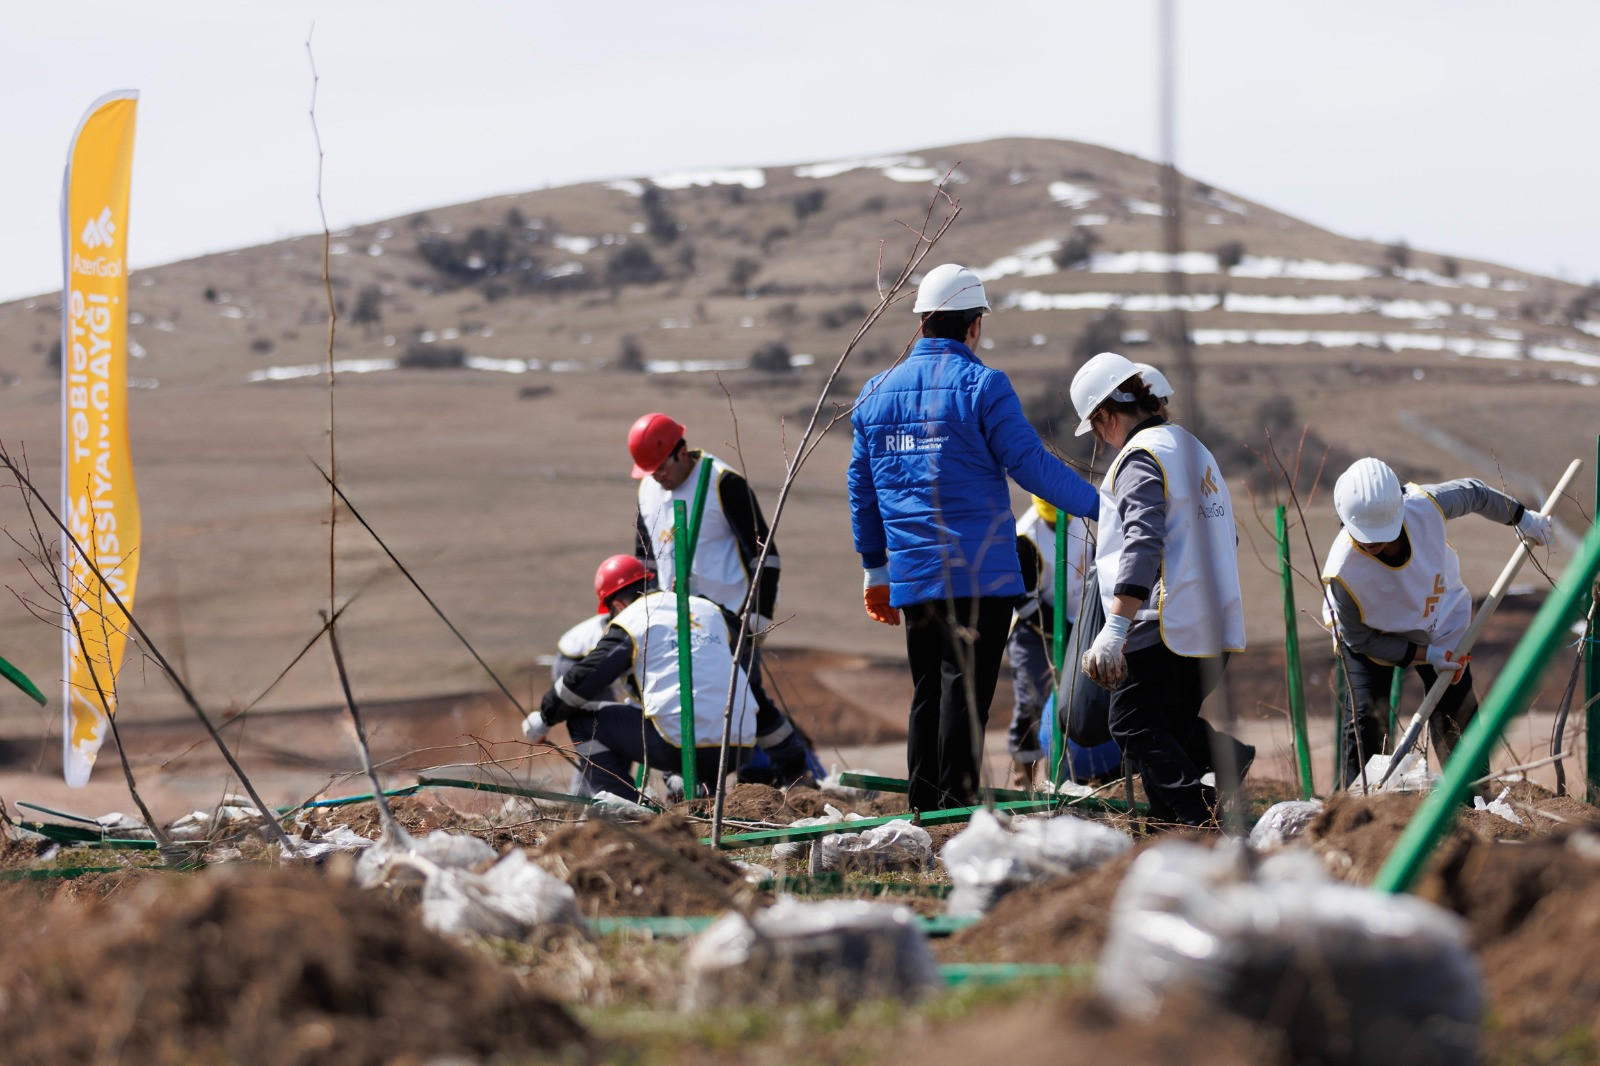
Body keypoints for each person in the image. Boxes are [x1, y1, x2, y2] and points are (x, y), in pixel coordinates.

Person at [847, 263, 1100, 813]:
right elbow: (1030, 466)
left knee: (926, 694)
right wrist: (1103, 505)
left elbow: (861, 490)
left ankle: (922, 810)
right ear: (974, 326)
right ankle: (953, 813)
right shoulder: (983, 386)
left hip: (912, 577)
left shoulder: (874, 393)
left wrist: (875, 570)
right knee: (964, 697)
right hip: (981, 574)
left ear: (921, 324)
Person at [1072, 350, 1251, 826]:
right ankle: (1173, 825)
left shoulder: (1139, 459)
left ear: (1107, 416)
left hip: (1166, 622)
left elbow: (1143, 540)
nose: (1100, 440)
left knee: (1131, 723)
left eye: (1095, 428)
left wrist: (1115, 626)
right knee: (1165, 729)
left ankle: (1200, 818)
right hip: (1214, 621)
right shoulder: (1194, 450)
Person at [1321, 457, 1552, 788]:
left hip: (1440, 620)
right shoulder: (1343, 572)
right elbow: (1361, 641)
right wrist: (1423, 655)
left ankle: (1472, 798)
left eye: (1383, 536)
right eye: (1367, 540)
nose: (1377, 545)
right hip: (1373, 634)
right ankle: (1360, 807)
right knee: (1365, 720)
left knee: (1455, 713)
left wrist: (1523, 518)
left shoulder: (1424, 506)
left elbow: (1476, 493)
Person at [524, 555, 812, 802]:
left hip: (683, 745)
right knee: (670, 713)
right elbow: (748, 653)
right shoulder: (708, 610)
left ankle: (623, 808)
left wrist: (545, 718)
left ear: (618, 604)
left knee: (585, 722)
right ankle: (701, 797)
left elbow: (583, 680)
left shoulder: (632, 619)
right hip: (738, 745)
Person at [630, 412, 779, 633]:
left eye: (661, 468)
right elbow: (645, 559)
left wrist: (758, 615)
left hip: (729, 622)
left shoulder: (723, 482)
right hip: (673, 623)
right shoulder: (647, 490)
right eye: (650, 472)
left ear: (681, 453)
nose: (657, 478)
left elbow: (764, 555)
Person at [1006, 495, 1091, 787]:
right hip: (1032, 631)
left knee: (1076, 699)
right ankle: (1025, 777)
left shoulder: (1079, 517)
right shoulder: (1024, 539)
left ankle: (1072, 775)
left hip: (1076, 624)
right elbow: (1025, 604)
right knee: (1033, 701)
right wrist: (1062, 629)